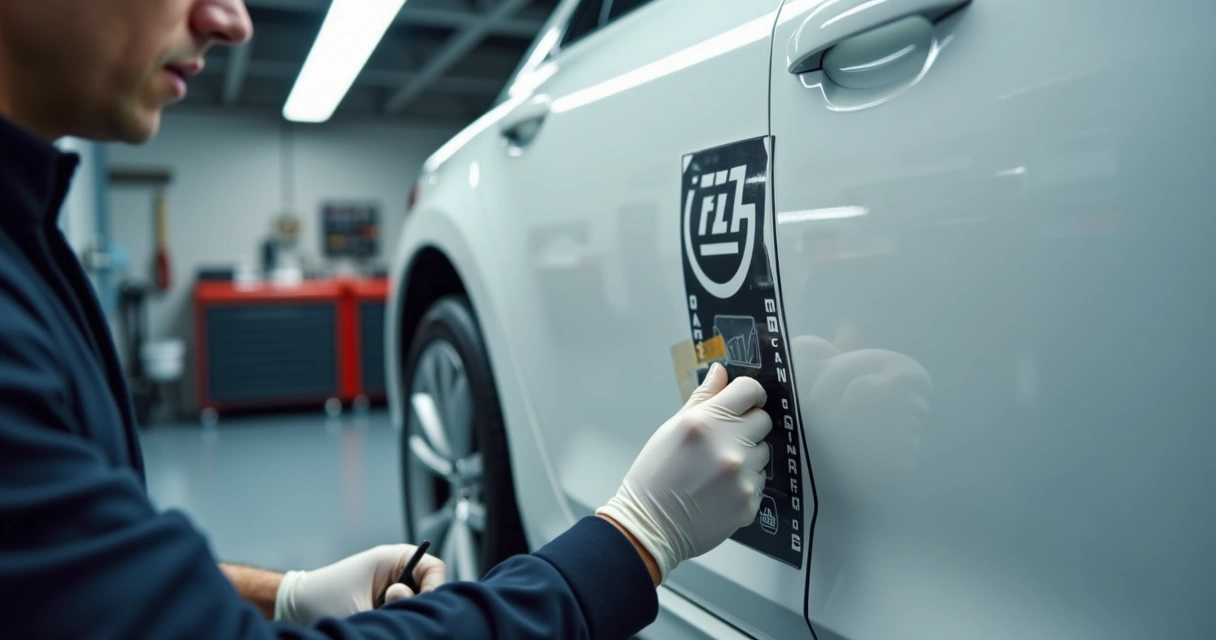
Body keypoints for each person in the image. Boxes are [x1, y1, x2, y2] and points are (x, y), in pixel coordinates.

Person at [0, 1, 774, 638]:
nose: (231, 20)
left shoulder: (26, 240)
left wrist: (284, 596)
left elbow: (70, 577)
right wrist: (633, 542)